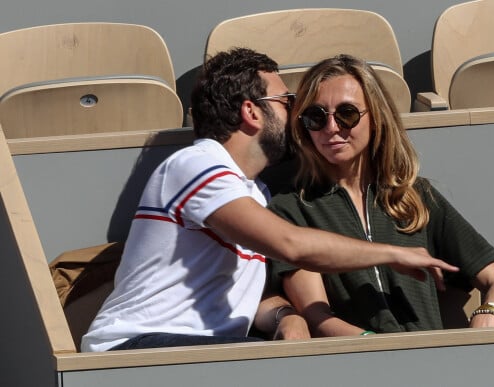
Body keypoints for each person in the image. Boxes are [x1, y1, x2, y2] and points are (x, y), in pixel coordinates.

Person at [81, 48, 458, 352]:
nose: (295, 112)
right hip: (137, 347)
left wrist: (285, 318)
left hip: (212, 350)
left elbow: (242, 297)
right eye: (286, 100)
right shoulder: (197, 163)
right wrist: (395, 253)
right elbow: (290, 245)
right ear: (251, 111)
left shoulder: (256, 193)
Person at [268, 54, 494, 337]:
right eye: (316, 117)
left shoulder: (415, 196)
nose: (331, 128)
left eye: (347, 114)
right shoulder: (290, 208)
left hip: (432, 359)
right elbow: (316, 315)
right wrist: (375, 346)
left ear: (375, 117)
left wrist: (489, 313)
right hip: (354, 364)